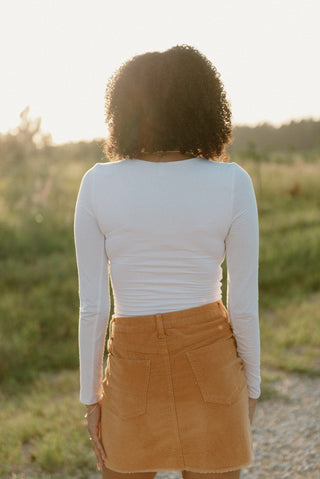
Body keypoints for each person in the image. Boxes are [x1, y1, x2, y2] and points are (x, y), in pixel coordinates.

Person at [74, 44, 260, 479]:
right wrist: (251, 386)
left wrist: (91, 399)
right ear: (205, 106)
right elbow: (244, 304)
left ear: (125, 109)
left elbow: (93, 307)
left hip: (131, 366)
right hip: (211, 358)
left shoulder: (97, 184)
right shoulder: (232, 182)